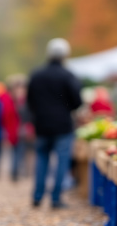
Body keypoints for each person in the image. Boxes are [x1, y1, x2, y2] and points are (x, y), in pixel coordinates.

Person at [27, 38, 83, 209]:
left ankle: (37, 196)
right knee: (61, 161)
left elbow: (29, 101)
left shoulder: (36, 75)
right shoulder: (68, 76)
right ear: (65, 55)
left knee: (42, 159)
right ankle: (56, 198)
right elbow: (77, 102)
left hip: (42, 124)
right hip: (62, 125)